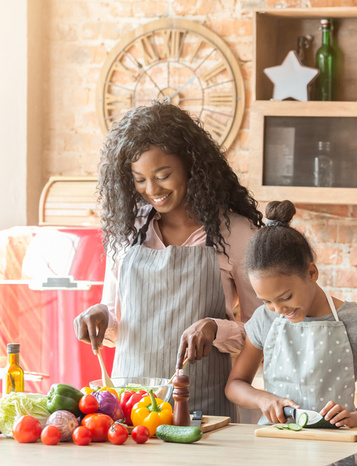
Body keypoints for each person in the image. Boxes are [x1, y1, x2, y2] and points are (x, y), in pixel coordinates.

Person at [73, 102, 264, 418]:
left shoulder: (237, 233)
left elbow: (264, 331)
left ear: (191, 165)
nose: (152, 190)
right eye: (139, 179)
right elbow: (120, 324)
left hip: (205, 412)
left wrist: (217, 329)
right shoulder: (128, 231)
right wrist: (99, 316)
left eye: (163, 175)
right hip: (131, 411)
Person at [225, 200, 357, 427]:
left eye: (286, 297)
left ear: (311, 273)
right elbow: (235, 385)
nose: (279, 309)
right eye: (267, 301)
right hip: (275, 445)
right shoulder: (265, 318)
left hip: (336, 446)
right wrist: (263, 398)